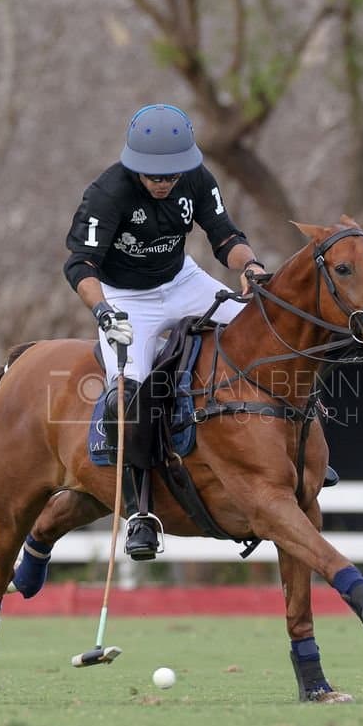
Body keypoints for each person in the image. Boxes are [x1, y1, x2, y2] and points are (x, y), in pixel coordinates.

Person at [62, 104, 266, 561]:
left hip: (182, 282)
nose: (164, 183)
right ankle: (140, 513)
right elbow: (80, 264)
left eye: (171, 175)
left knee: (261, 329)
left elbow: (225, 236)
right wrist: (103, 310)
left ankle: (298, 451)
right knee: (128, 398)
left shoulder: (197, 178)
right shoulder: (107, 193)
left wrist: (249, 265)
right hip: (126, 298)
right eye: (155, 175)